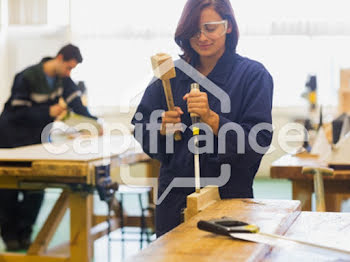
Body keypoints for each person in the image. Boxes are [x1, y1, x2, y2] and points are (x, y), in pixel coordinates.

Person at [132, 0, 273, 237]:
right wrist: (161, 129)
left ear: (227, 26)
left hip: (229, 198)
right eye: (194, 30)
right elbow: (140, 126)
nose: (202, 37)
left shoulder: (253, 76)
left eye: (210, 28)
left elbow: (258, 141)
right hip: (174, 200)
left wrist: (213, 119)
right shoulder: (170, 75)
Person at [0, 44, 98, 251]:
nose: (69, 73)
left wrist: (97, 124)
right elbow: (18, 113)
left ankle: (25, 234)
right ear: (60, 58)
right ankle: (9, 236)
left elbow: (78, 106)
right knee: (7, 190)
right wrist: (48, 111)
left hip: (35, 140)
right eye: (68, 67)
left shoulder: (63, 81)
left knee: (36, 189)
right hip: (10, 139)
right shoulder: (26, 77)